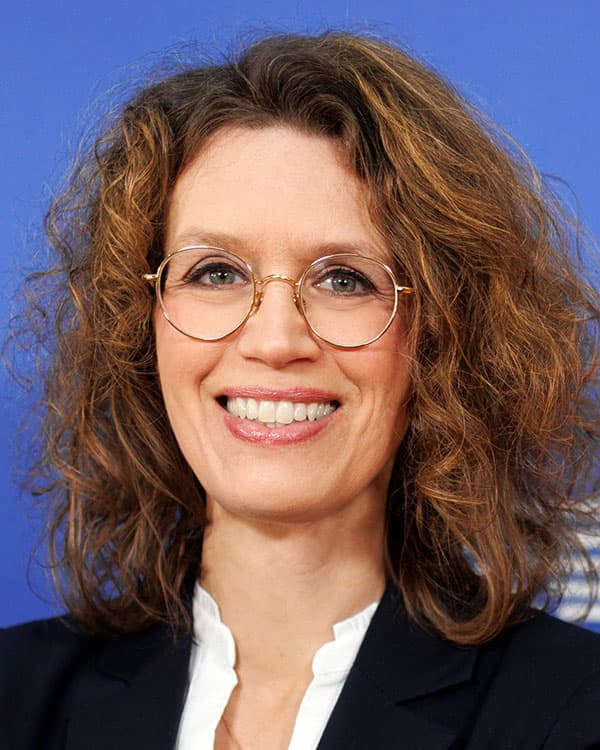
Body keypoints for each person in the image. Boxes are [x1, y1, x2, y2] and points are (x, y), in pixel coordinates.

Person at [2, 31, 600, 750]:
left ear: (440, 338)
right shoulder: (16, 699)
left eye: (345, 279)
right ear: (141, 324)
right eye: (216, 272)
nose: (275, 339)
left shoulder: (573, 713)